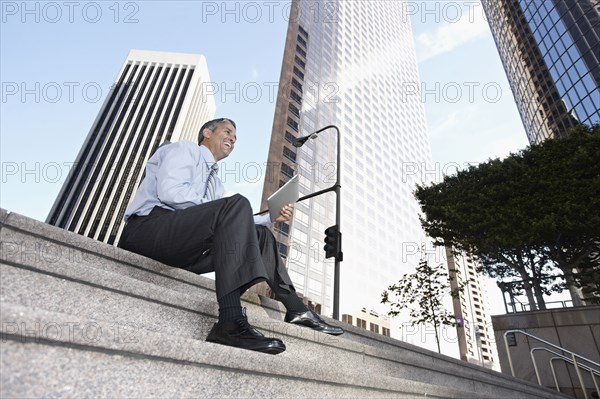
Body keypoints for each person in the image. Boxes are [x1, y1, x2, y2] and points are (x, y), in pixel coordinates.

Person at [118, 117, 343, 355]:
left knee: (261, 235)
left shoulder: (214, 182)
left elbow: (231, 216)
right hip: (147, 231)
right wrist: (226, 209)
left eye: (235, 138)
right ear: (207, 132)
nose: (232, 139)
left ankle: (296, 308)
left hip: (181, 248)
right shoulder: (184, 150)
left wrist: (270, 217)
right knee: (236, 205)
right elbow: (171, 193)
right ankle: (230, 321)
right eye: (227, 132)